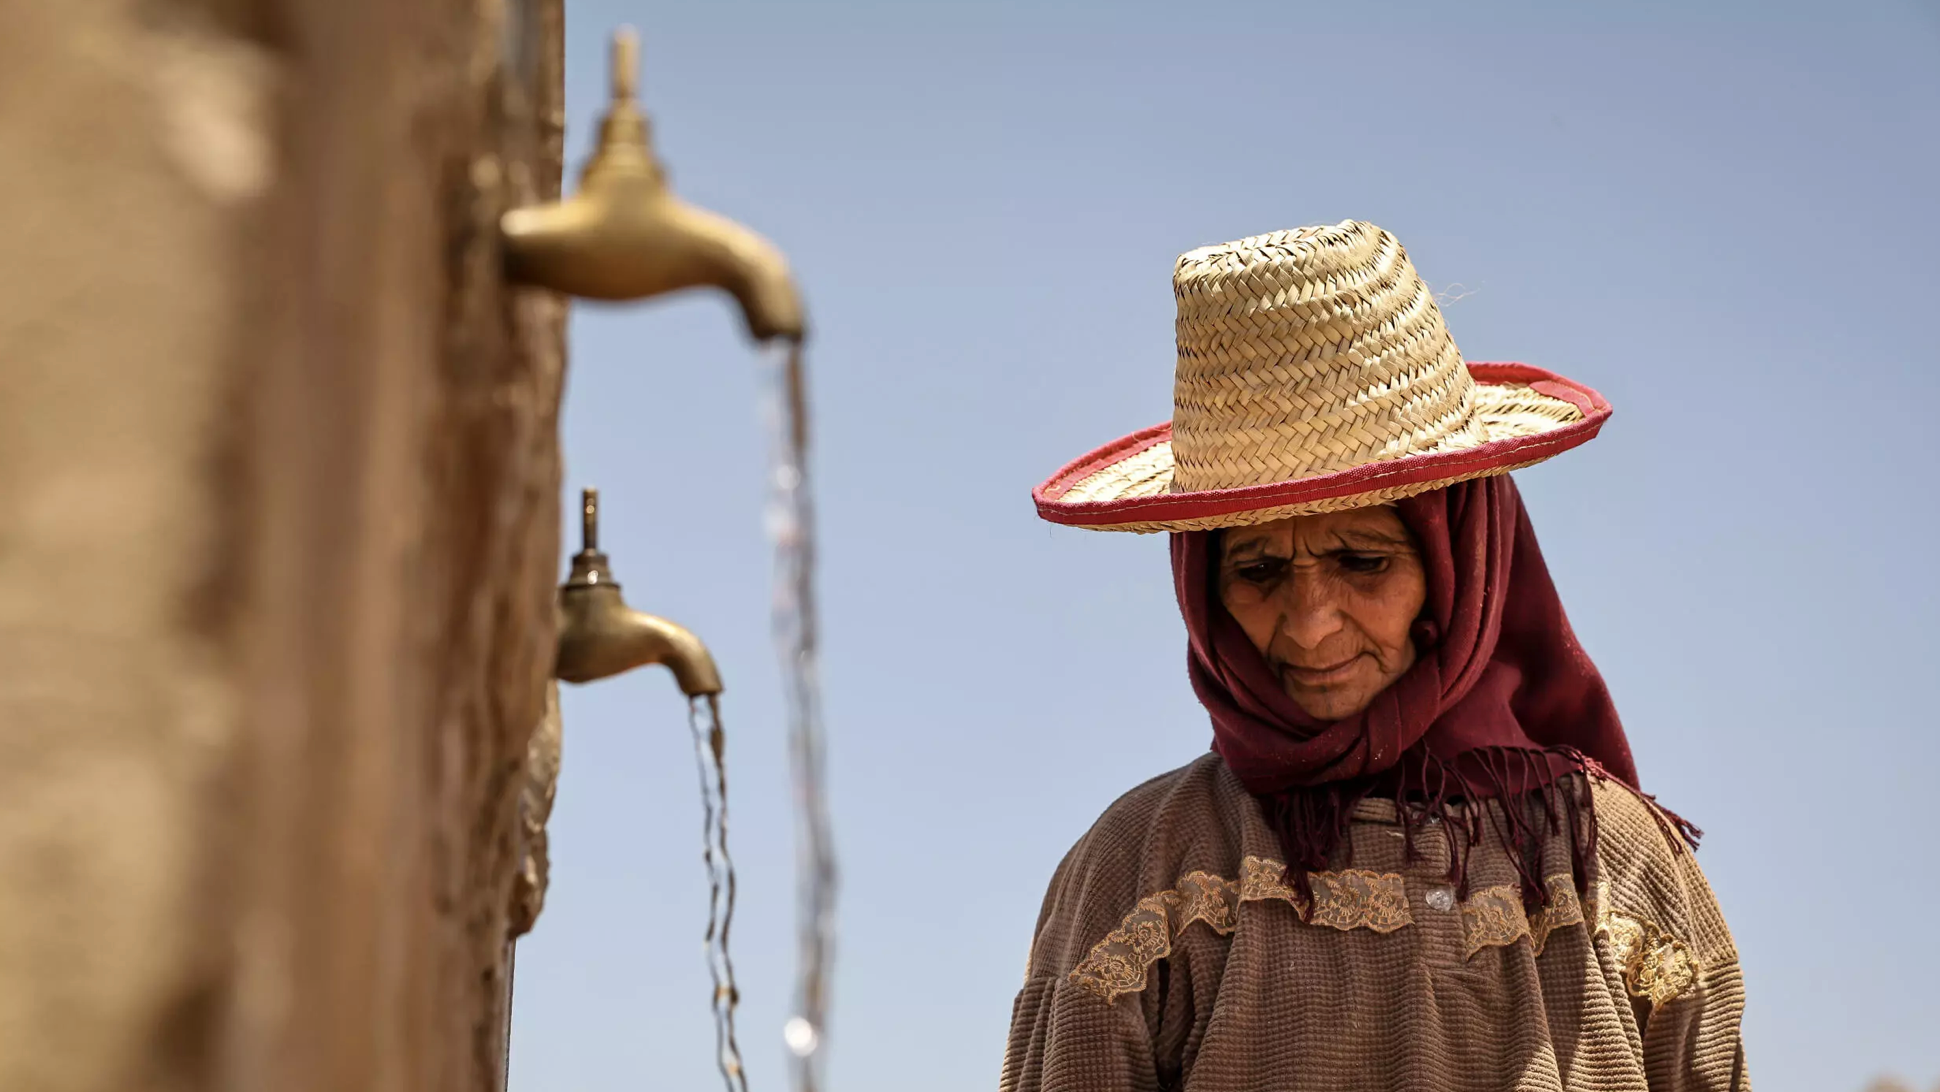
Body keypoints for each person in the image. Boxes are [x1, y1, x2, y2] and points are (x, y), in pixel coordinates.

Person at [1005, 221, 1748, 1092]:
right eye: (1258, 571)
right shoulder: (1148, 866)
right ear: (1204, 588)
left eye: (1364, 562)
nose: (1311, 625)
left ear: (1461, 560)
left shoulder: (1615, 867)